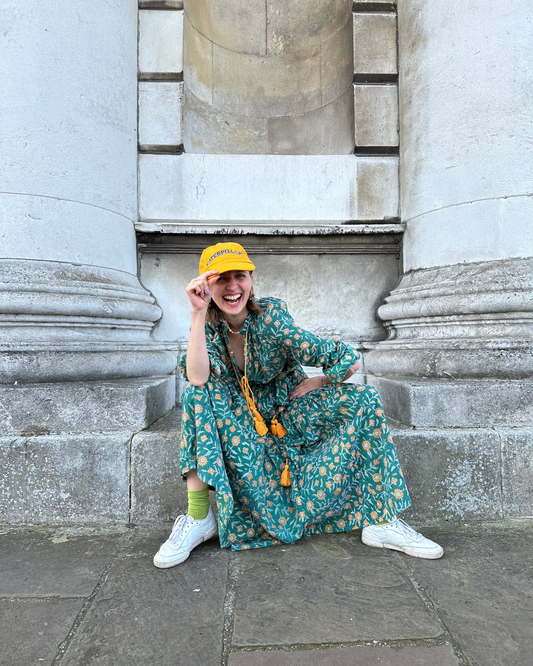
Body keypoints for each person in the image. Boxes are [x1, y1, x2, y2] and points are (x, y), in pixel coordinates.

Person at [153, 243, 443, 568]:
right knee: (196, 394)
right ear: (207, 286)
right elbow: (197, 376)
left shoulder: (272, 320)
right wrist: (196, 312)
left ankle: (381, 520)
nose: (232, 287)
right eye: (221, 278)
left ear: (251, 280)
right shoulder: (207, 326)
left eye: (240, 276)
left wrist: (320, 381)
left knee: (364, 399)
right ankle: (198, 517)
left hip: (290, 416)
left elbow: (347, 359)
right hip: (242, 427)